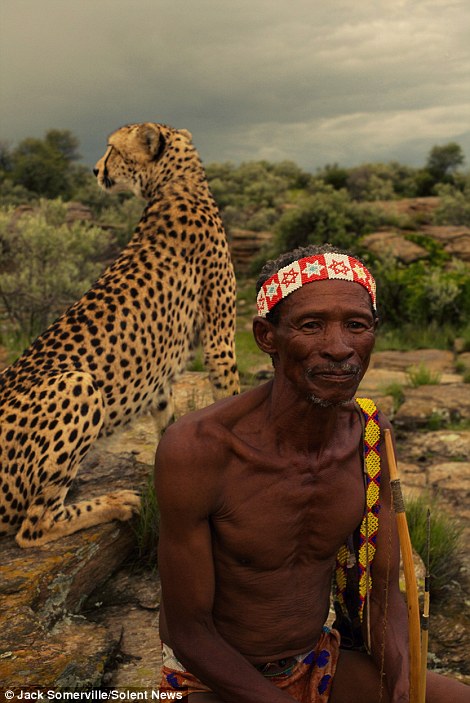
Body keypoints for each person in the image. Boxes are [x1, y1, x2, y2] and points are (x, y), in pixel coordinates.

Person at [155, 244, 468, 702]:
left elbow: (382, 592)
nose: (339, 348)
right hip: (213, 678)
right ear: (267, 336)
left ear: (374, 333)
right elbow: (189, 631)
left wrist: (402, 685)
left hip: (318, 661)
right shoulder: (199, 449)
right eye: (311, 325)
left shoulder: (369, 437)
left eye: (356, 325)